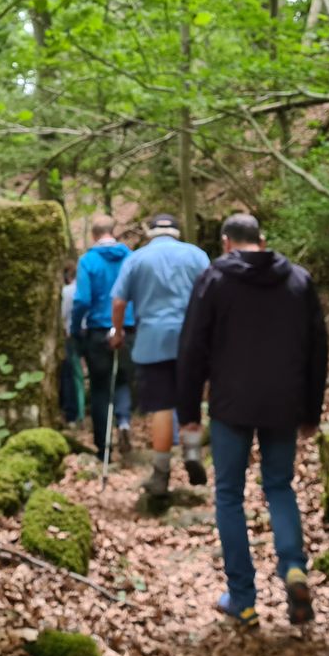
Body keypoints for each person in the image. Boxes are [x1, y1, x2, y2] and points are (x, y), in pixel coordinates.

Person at [177, 213, 328, 630]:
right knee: (279, 485)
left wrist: (188, 413)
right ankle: (294, 567)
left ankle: (242, 600)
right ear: (262, 240)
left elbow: (192, 348)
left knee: (229, 494)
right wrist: (311, 410)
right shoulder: (298, 280)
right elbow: (318, 348)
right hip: (284, 404)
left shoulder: (214, 280)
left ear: (226, 243)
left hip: (231, 405)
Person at [109, 212, 211, 498]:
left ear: (150, 232)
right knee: (190, 400)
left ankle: (161, 472)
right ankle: (192, 453)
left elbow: (119, 301)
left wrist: (117, 333)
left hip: (151, 341)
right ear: (177, 232)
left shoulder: (136, 259)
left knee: (162, 407)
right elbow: (212, 295)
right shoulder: (197, 256)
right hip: (191, 340)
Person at [71, 215, 135, 462]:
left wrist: (76, 327)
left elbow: (81, 300)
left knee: (99, 388)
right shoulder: (130, 257)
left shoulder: (88, 260)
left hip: (98, 331)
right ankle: (124, 422)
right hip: (127, 329)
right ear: (113, 232)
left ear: (94, 235)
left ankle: (103, 447)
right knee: (122, 381)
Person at [57, 264, 84, 424]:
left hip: (72, 333)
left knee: (73, 374)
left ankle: (75, 413)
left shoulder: (67, 291)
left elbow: (64, 314)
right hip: (91, 331)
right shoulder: (86, 288)